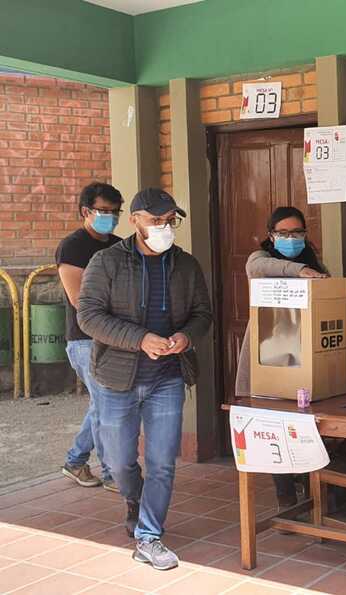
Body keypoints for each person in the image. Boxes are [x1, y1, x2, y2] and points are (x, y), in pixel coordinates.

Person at [78, 188, 212, 571]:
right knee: (118, 461)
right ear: (134, 220)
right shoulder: (106, 262)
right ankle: (134, 499)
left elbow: (203, 314)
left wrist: (186, 336)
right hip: (116, 379)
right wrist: (140, 339)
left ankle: (149, 536)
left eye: (170, 221)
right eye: (156, 221)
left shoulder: (186, 265)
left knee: (162, 462)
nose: (164, 228)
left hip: (166, 378)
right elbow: (88, 316)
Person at [234, 206, 328, 509]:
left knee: (305, 426)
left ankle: (309, 489)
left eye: (297, 232)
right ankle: (285, 496)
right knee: (275, 425)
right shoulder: (260, 259)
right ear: (271, 235)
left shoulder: (314, 262)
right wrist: (299, 271)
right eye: (283, 233)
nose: (291, 238)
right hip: (270, 354)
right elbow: (260, 268)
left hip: (305, 355)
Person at [57, 182, 123, 491]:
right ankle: (112, 473)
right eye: (104, 211)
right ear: (86, 211)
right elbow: (80, 300)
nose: (111, 218)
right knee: (107, 404)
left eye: (115, 212)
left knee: (102, 404)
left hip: (118, 337)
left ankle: (75, 461)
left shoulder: (120, 246)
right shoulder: (72, 247)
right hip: (85, 340)